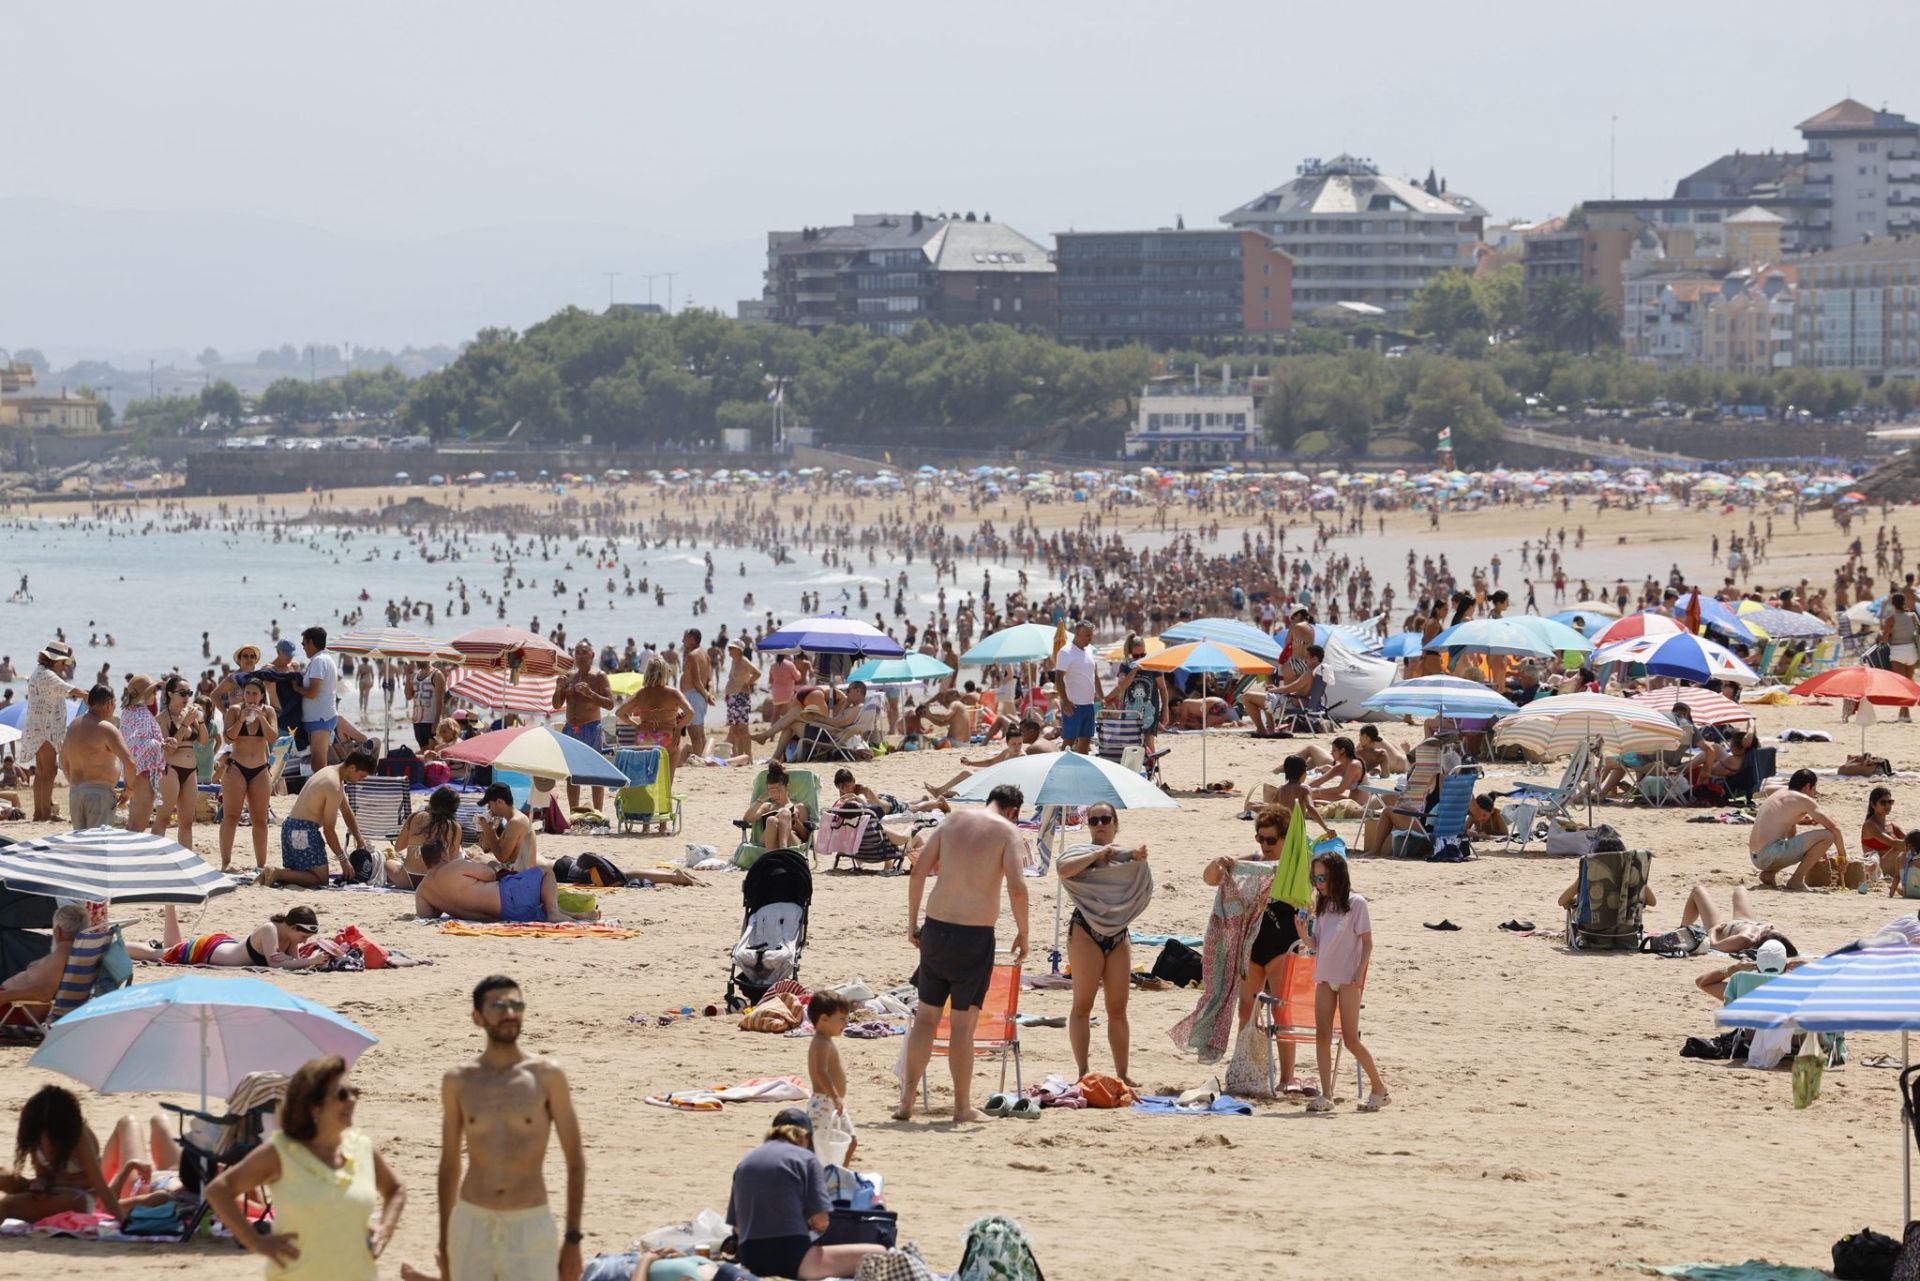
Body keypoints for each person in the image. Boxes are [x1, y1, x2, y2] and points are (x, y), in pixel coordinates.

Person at [434, 976, 587, 1281]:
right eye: (498, 1005)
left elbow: (575, 1162)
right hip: (472, 1221)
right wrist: (444, 1239)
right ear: (477, 1017)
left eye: (516, 1004)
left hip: (530, 1222)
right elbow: (449, 1164)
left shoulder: (547, 1076)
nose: (509, 1013)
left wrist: (573, 1240)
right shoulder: (459, 1081)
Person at [896, 783, 1030, 1122]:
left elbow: (918, 870)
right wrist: (1023, 932)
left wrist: (913, 924)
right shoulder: (1008, 832)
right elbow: (1017, 887)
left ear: (990, 800)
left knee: (925, 1020)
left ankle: (907, 1102)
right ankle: (960, 1108)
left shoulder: (951, 822)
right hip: (974, 936)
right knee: (961, 1027)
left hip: (936, 929)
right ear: (1013, 810)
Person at [205, 1055, 405, 1281]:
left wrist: (385, 1229)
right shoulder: (281, 1153)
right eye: (341, 1094)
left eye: (354, 1092)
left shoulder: (362, 1148)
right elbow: (218, 1190)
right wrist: (256, 1242)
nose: (351, 1100)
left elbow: (396, 1189)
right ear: (314, 1108)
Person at [1203, 808, 1307, 1091]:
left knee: (1283, 1011)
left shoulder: (1297, 868)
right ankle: (1246, 1069)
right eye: (1260, 838)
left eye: (1271, 840)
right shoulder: (1253, 862)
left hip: (1283, 944)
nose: (1264, 845)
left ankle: (1288, 1077)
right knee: (1247, 1010)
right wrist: (1218, 863)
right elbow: (1211, 879)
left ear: (1286, 839)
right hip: (1253, 943)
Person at [726, 1110, 881, 1281]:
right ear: (807, 1137)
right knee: (879, 1254)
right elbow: (821, 1221)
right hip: (793, 1259)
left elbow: (737, 1228)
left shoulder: (746, 1161)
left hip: (750, 1258)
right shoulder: (806, 1158)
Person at [1058, 801, 1149, 1083]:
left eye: (1105, 819)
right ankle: (1083, 1071)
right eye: (1094, 820)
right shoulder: (1079, 852)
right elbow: (1064, 869)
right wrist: (1099, 853)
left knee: (1118, 1009)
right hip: (1085, 930)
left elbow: (1141, 887)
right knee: (1082, 1005)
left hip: (1118, 934)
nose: (1100, 825)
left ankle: (1123, 1073)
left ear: (1115, 823)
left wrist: (1128, 855)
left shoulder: (1128, 858)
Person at [1304, 854, 1389, 1114]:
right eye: (1316, 878)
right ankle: (1327, 1094)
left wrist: (1359, 973)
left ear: (1337, 876)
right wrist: (1302, 932)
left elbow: (1367, 942)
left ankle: (1379, 1088)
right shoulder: (1322, 905)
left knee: (1351, 1039)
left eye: (1323, 877)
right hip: (1324, 977)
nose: (1319, 883)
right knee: (1322, 1036)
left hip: (1349, 979)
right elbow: (1316, 945)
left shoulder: (1357, 903)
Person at [0, 1084, 129, 1224]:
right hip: (49, 1190)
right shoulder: (34, 1132)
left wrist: (123, 1222)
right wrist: (40, 1183)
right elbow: (42, 1174)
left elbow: (100, 1186)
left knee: (6, 1207)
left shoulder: (78, 1137)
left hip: (78, 1196)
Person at [265, 747, 376, 888]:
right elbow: (329, 831)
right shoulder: (334, 785)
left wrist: (360, 841)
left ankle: (275, 874)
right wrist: (343, 859)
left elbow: (347, 813)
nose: (361, 780)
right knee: (320, 879)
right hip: (303, 831)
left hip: (289, 827)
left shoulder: (331, 772)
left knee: (301, 874)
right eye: (361, 776)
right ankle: (276, 873)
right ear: (353, 768)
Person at [413, 844, 595, 924]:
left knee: (537, 908)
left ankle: (577, 916)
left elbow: (427, 915)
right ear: (443, 855)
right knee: (545, 872)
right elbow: (490, 875)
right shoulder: (455, 866)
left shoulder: (422, 890)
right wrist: (491, 864)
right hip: (506, 896)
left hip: (502, 914)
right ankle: (555, 913)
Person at [128, 903, 328, 969]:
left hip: (223, 946)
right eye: (303, 937)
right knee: (159, 954)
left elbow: (292, 961)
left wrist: (298, 960)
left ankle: (169, 905)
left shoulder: (288, 936)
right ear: (292, 927)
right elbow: (277, 964)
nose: (304, 941)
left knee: (174, 949)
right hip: (210, 950)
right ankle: (115, 945)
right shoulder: (270, 929)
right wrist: (311, 960)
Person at [1749, 768, 1846, 891]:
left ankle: (1769, 874)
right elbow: (1834, 827)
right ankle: (1796, 880)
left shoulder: (1780, 794)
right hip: (1770, 853)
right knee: (1828, 836)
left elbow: (1791, 833)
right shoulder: (1803, 799)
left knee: (1791, 843)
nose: (1814, 794)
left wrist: (1812, 850)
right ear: (1807, 787)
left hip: (1756, 857)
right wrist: (1842, 856)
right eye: (1814, 789)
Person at [220, 677, 279, 871]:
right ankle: (226, 862)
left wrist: (261, 717)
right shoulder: (235, 710)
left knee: (260, 819)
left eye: (255, 693)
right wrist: (241, 720)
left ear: (262, 695)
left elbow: (273, 737)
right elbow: (228, 737)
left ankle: (261, 864)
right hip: (237, 766)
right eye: (248, 693)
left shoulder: (269, 712)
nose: (251, 697)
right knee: (231, 816)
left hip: (260, 769)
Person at [60, 685, 136, 830]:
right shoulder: (106, 728)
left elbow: (63, 759)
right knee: (98, 845)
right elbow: (130, 762)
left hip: (76, 793)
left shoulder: (74, 726)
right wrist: (129, 789)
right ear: (108, 704)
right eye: (114, 704)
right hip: (99, 794)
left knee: (83, 846)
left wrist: (73, 782)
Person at [20, 640, 80, 821]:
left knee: (41, 772)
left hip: (38, 727)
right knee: (49, 771)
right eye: (63, 663)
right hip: (45, 728)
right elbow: (70, 689)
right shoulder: (48, 675)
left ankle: (39, 812)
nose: (64, 667)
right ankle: (44, 813)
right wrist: (93, 695)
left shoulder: (39, 672)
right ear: (56, 661)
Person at [553, 641, 615, 815]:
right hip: (571, 729)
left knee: (596, 773)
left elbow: (610, 704)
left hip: (592, 728)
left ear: (592, 655)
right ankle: (574, 814)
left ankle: (598, 813)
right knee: (572, 775)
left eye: (584, 652)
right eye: (577, 651)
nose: (580, 655)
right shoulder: (569, 676)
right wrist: (558, 688)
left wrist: (591, 694)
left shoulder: (599, 676)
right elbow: (557, 704)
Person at [0, 904, 91, 1019]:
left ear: (58, 931)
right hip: (16, 1006)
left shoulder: (63, 952)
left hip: (13, 1010)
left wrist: (5, 996)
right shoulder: (80, 952)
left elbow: (44, 992)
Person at [151, 675, 207, 847]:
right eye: (182, 693)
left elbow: (204, 741)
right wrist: (184, 725)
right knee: (163, 818)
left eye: (189, 693)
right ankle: (154, 859)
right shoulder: (162, 719)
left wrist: (201, 720)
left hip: (190, 770)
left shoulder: (189, 715)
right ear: (169, 694)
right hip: (171, 769)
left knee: (187, 822)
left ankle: (186, 860)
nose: (186, 698)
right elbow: (169, 748)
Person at [805, 990, 856, 1166]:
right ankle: (822, 1176)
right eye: (841, 1018)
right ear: (824, 1019)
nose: (846, 1022)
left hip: (832, 1102)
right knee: (818, 1145)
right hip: (824, 1102)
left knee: (851, 1141)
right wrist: (834, 1096)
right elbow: (821, 1072)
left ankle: (840, 1173)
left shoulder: (826, 1040)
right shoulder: (820, 1042)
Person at [1238, 755, 1335, 839]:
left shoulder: (1281, 789)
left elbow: (1271, 808)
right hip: (1297, 831)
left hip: (1282, 831)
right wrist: (1326, 827)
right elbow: (1310, 808)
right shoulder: (1305, 788)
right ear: (1304, 772)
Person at [386, 785, 465, 889]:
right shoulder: (455, 827)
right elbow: (453, 860)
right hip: (434, 881)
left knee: (389, 863)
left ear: (433, 800)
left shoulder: (415, 817)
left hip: (407, 879)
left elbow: (398, 847)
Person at [615, 656, 693, 762]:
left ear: (647, 672)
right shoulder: (673, 693)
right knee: (669, 769)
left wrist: (636, 725)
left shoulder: (640, 693)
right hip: (666, 737)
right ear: (665, 672)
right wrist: (679, 727)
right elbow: (690, 712)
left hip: (644, 738)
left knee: (647, 775)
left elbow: (619, 712)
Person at [120, 674, 165, 832]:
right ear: (145, 693)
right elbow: (137, 744)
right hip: (143, 771)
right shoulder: (142, 714)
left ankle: (127, 854)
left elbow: (130, 742)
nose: (155, 695)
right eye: (153, 692)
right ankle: (130, 855)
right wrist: (162, 745)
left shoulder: (128, 711)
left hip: (133, 770)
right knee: (140, 822)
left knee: (134, 820)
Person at [1053, 619, 1102, 753]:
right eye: (1087, 635)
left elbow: (1094, 675)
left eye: (1091, 635)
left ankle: (1081, 769)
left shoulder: (1089, 651)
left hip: (1089, 704)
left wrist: (1101, 697)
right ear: (1077, 632)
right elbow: (1058, 677)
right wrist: (1065, 701)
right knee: (1069, 740)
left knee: (1086, 740)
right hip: (1073, 704)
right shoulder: (1065, 652)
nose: (1090, 638)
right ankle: (1061, 768)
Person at [742, 762, 810, 851]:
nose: (776, 795)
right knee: (771, 820)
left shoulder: (799, 807)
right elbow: (747, 819)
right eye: (771, 791)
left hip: (791, 840)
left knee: (785, 813)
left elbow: (806, 837)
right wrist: (762, 798)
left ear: (787, 787)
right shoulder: (767, 806)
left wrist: (796, 821)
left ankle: (782, 850)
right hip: (768, 840)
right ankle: (779, 852)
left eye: (779, 790)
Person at [298, 627, 340, 771]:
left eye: (303, 644)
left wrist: (295, 688)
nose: (303, 648)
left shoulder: (319, 661)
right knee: (317, 761)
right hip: (318, 716)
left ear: (310, 642)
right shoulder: (323, 659)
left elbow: (312, 692)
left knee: (318, 762)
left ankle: (324, 791)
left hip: (320, 717)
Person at [478, 780, 542, 872]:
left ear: (499, 802)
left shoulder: (516, 822)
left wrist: (489, 832)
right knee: (480, 859)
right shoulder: (513, 820)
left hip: (520, 876)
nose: (489, 808)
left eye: (490, 804)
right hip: (518, 870)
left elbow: (502, 857)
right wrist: (489, 831)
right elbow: (498, 847)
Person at [723, 641, 762, 762]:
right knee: (735, 729)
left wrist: (748, 683)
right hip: (732, 698)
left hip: (741, 697)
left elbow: (757, 673)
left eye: (731, 648)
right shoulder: (734, 661)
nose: (729, 650)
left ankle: (749, 757)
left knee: (743, 729)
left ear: (739, 650)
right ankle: (740, 757)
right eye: (729, 648)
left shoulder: (743, 660)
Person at [680, 627, 713, 762]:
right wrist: (708, 694)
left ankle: (700, 761)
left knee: (695, 735)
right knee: (700, 734)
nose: (683, 640)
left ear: (693, 639)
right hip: (698, 696)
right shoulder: (705, 654)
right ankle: (704, 759)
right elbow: (709, 679)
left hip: (694, 696)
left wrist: (706, 695)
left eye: (686, 637)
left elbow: (696, 680)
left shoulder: (693, 655)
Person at [1864, 786, 1906, 879]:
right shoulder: (1870, 825)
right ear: (1873, 805)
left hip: (1893, 864)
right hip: (1877, 867)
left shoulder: (1892, 825)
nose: (1887, 806)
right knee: (1904, 847)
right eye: (1883, 802)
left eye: (1890, 802)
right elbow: (1892, 843)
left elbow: (1909, 838)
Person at [410, 661, 448, 750]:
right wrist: (408, 676)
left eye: (419, 659)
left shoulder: (437, 675)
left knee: (432, 752)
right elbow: (408, 696)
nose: (417, 662)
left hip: (431, 720)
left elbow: (440, 700)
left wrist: (437, 720)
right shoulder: (415, 675)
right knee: (424, 751)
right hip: (417, 721)